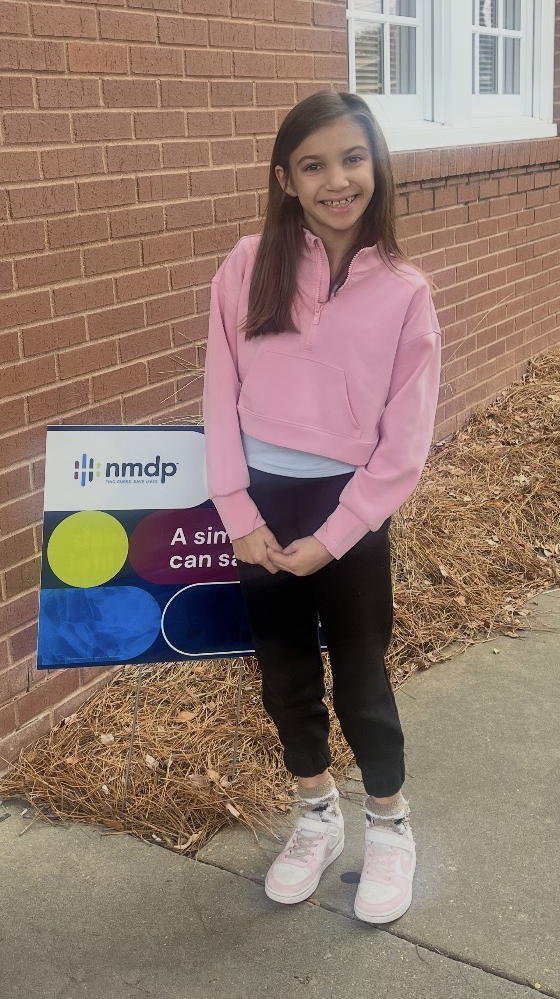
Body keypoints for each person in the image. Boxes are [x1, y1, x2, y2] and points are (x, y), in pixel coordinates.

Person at [202, 90, 442, 924]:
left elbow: (404, 439)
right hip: (261, 509)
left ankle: (389, 823)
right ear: (286, 179)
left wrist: (339, 533)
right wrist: (241, 515)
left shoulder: (406, 292)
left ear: (376, 166)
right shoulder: (245, 264)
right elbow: (219, 393)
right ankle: (315, 815)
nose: (337, 179)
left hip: (350, 511)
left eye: (351, 158)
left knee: (362, 678)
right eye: (313, 165)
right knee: (284, 677)